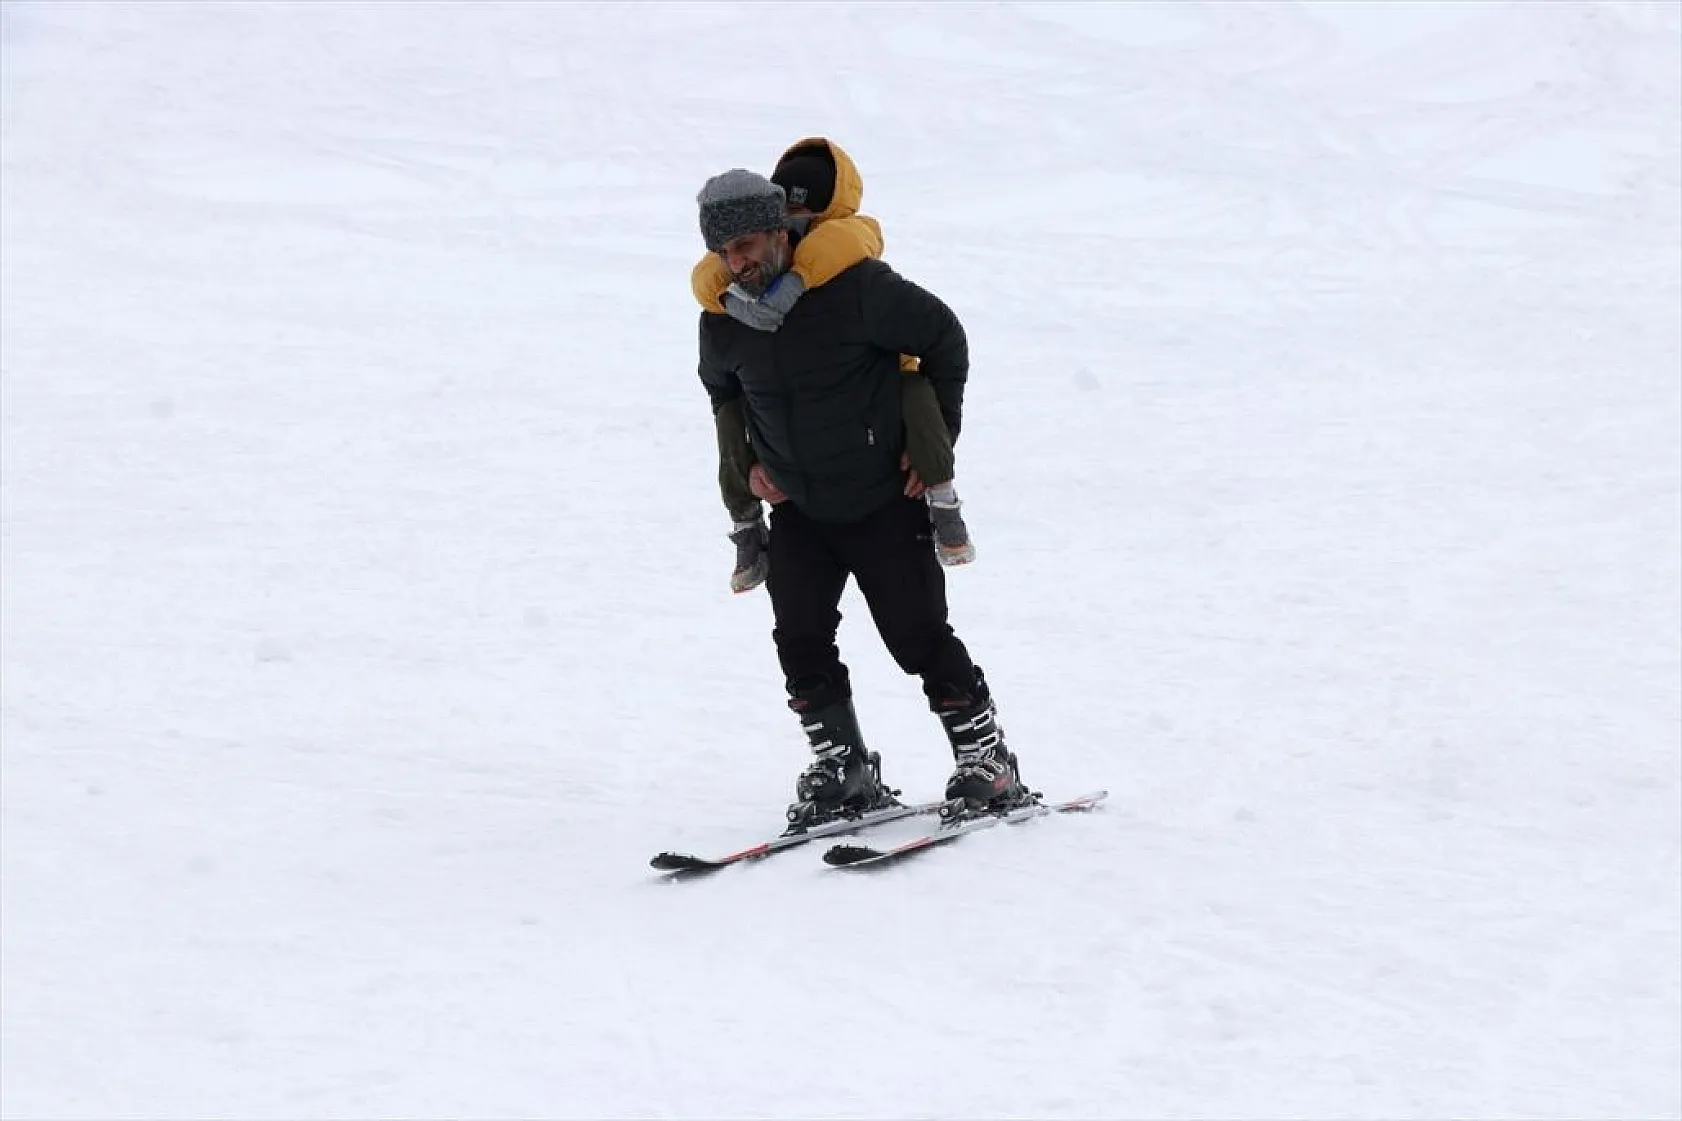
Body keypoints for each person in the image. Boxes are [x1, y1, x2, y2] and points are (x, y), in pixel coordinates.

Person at [692, 166, 1028, 827]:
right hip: (800, 511)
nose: (739, 263)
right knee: (800, 638)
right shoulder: (724, 320)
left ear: (778, 230)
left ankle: (987, 760)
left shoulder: (857, 289)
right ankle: (844, 769)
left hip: (881, 498)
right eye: (725, 252)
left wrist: (934, 447)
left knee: (918, 635)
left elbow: (944, 339)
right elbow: (722, 390)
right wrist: (752, 463)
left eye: (749, 245)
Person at [690, 137, 975, 595]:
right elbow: (723, 380)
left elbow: (942, 337)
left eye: (807, 218)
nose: (797, 227)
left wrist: (939, 439)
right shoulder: (735, 281)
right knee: (733, 410)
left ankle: (943, 498)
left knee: (916, 391)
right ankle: (744, 525)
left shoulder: (847, 254)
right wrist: (721, 295)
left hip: (883, 413)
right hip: (799, 491)